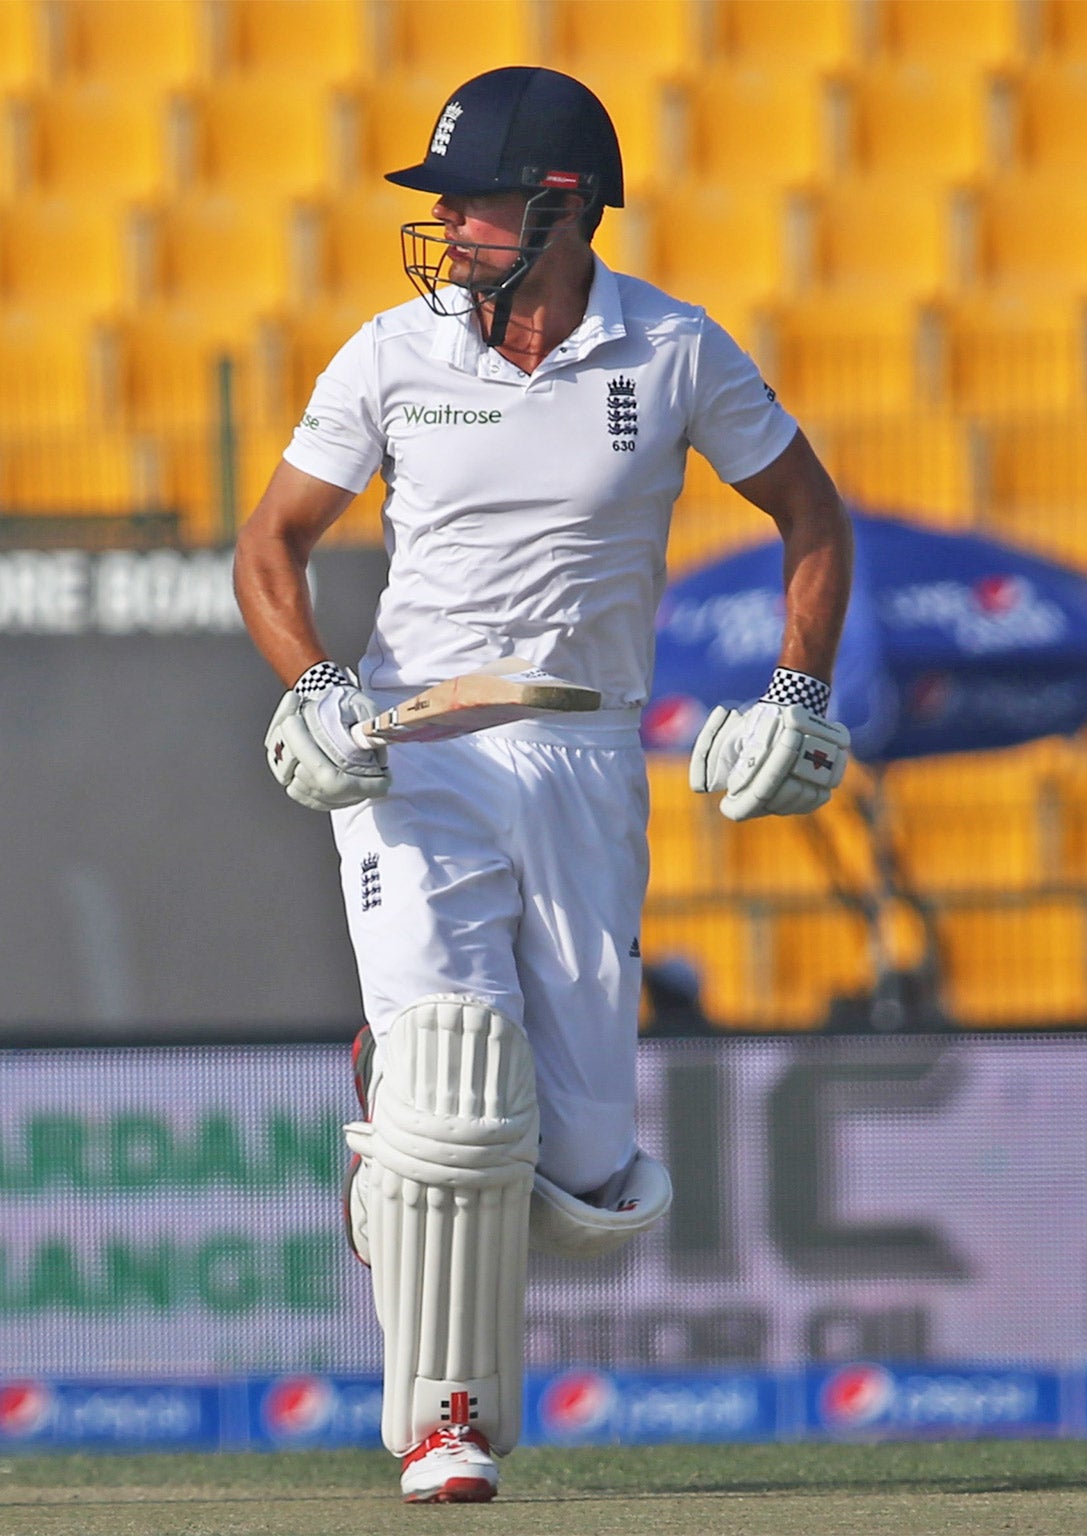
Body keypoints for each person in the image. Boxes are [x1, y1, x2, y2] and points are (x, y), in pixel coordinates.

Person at [232, 68, 854, 1503]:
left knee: (581, 1173)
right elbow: (272, 543)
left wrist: (797, 691)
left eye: (476, 201)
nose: (449, 224)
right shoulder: (391, 354)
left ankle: (397, 1104)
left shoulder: (674, 350)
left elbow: (811, 516)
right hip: (417, 753)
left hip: (587, 754)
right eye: (446, 201)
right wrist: (317, 685)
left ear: (563, 207)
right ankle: (442, 1421)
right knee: (453, 1088)